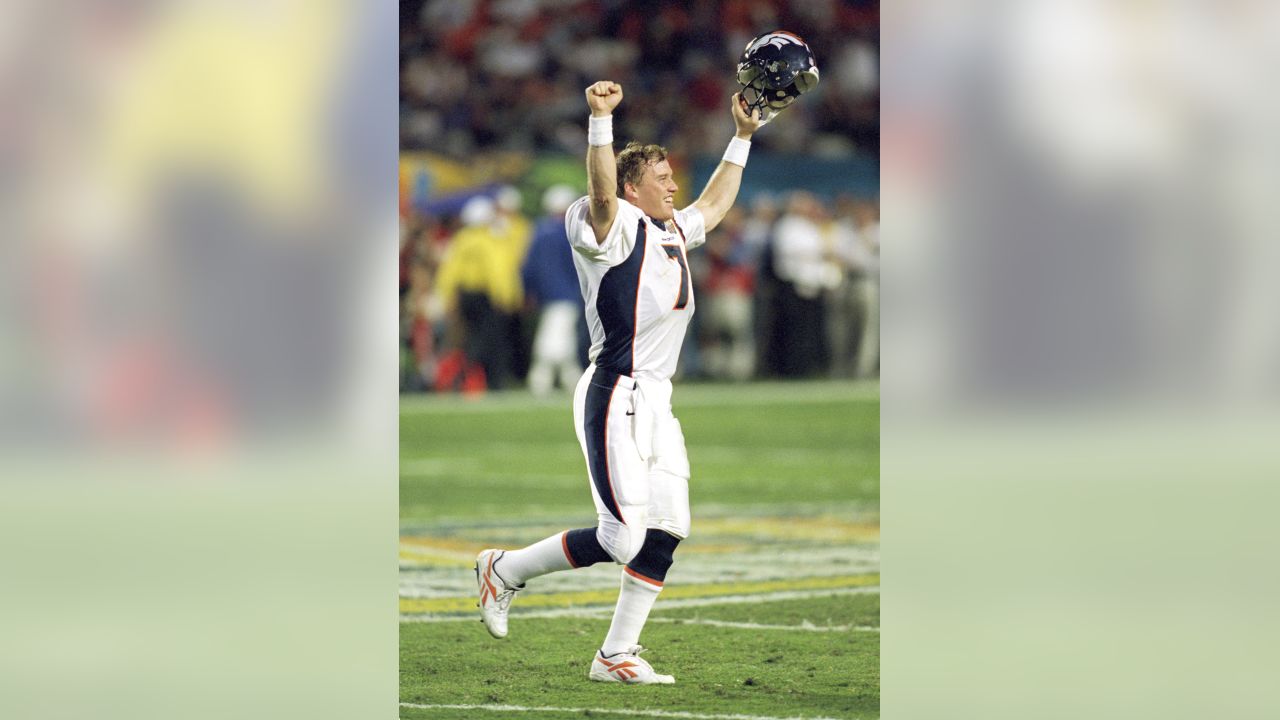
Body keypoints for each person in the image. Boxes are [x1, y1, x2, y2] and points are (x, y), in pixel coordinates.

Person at [474, 79, 764, 685]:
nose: (673, 186)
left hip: (658, 399)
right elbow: (602, 195)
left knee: (668, 529)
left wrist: (740, 137)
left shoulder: (670, 230)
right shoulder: (612, 227)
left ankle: (615, 654)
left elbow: (712, 204)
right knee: (624, 536)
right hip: (615, 391)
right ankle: (505, 569)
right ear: (635, 187)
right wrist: (600, 122)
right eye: (662, 178)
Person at [521, 184, 586, 396]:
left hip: (546, 295)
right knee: (557, 339)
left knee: (557, 335)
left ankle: (563, 379)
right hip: (567, 292)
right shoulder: (569, 234)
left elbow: (528, 267)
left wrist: (528, 291)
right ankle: (546, 381)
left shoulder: (538, 232)